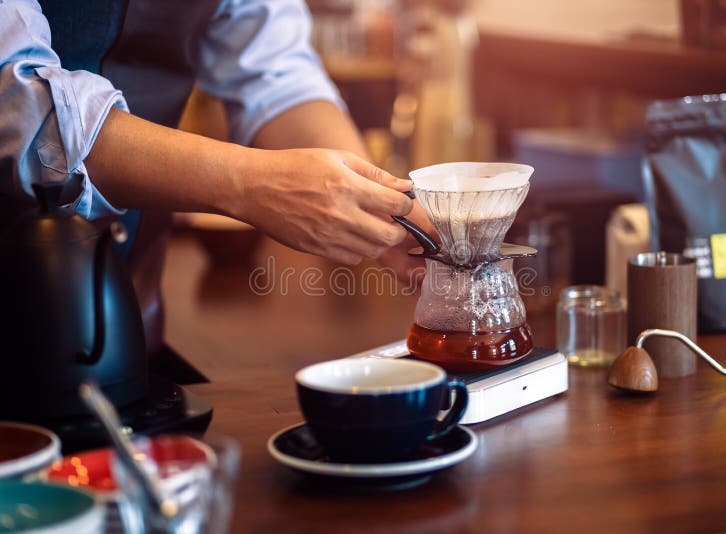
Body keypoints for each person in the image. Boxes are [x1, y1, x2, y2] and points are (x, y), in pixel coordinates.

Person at [0, 0, 431, 355]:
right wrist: (250, 184)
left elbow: (276, 74)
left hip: (127, 323)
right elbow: (20, 105)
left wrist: (374, 201)